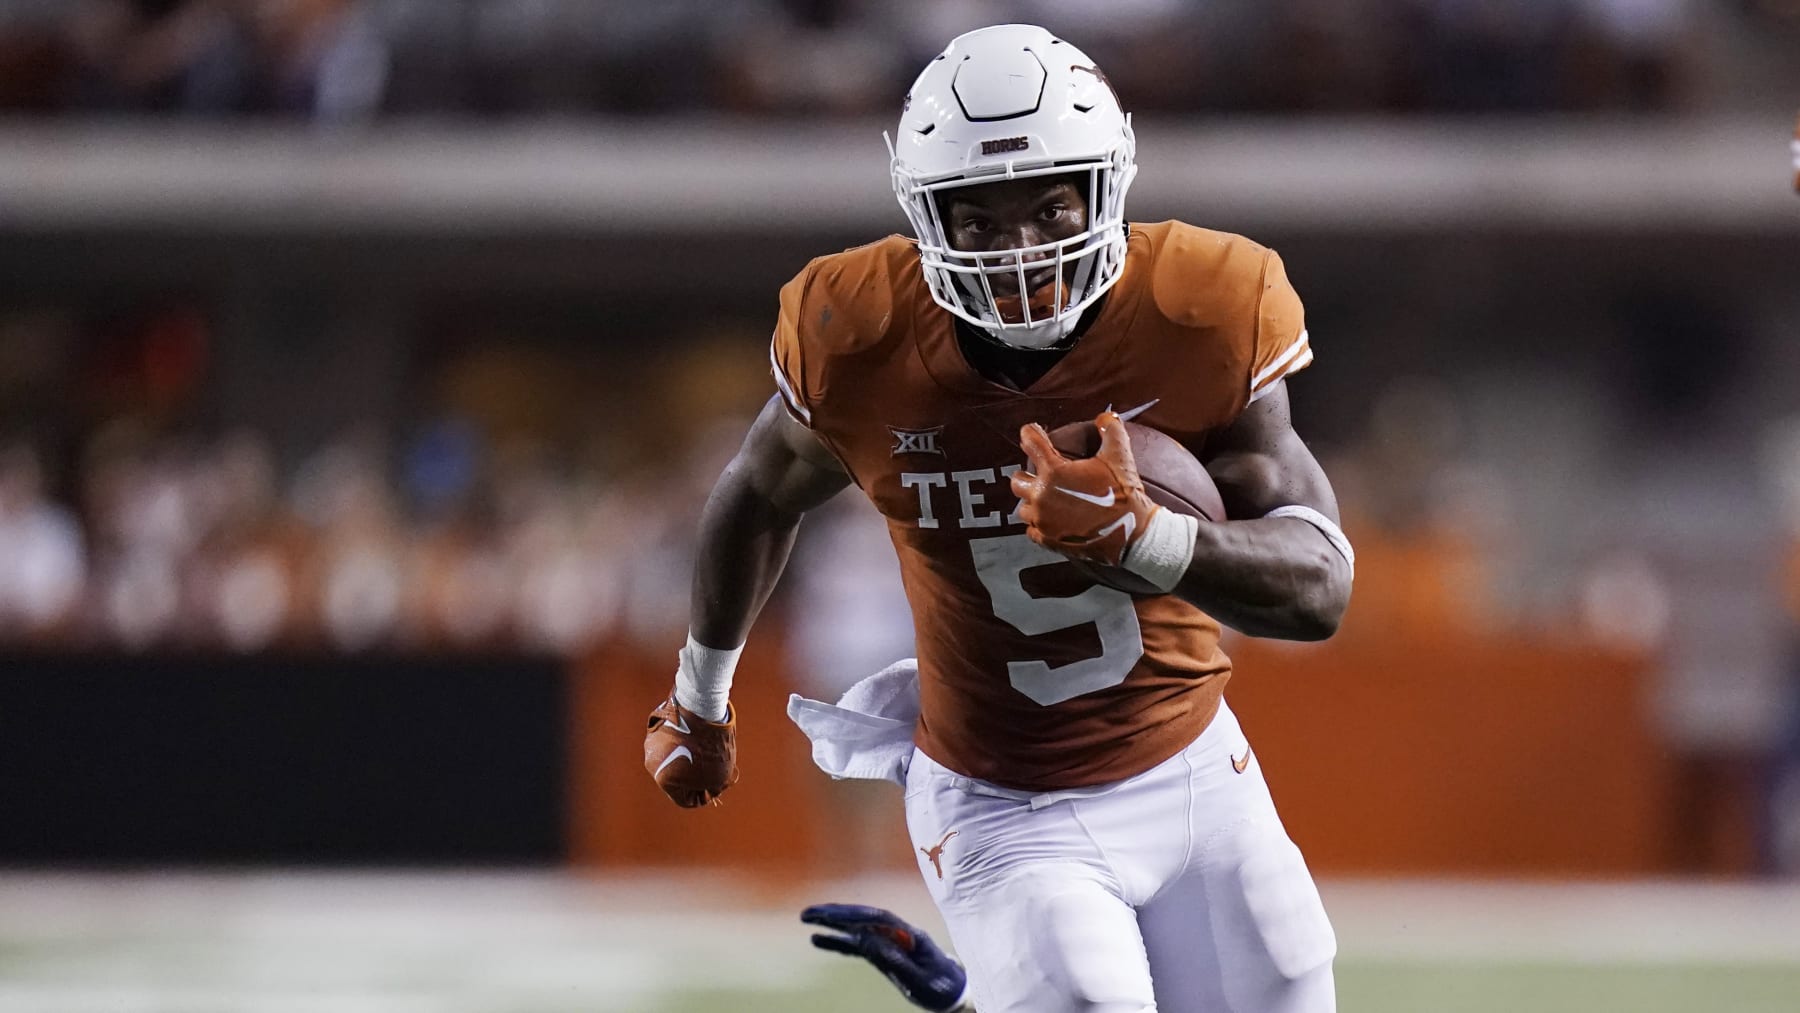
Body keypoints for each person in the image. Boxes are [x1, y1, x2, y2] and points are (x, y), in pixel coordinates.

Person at [645, 23, 1352, 1013]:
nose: (1022, 253)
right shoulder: (861, 336)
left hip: (1191, 766)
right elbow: (758, 490)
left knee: (1287, 989)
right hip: (1000, 795)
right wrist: (699, 695)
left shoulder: (1201, 310)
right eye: (979, 222)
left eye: (1050, 206)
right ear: (924, 216)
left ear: (1106, 190)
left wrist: (1145, 537)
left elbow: (1321, 589)